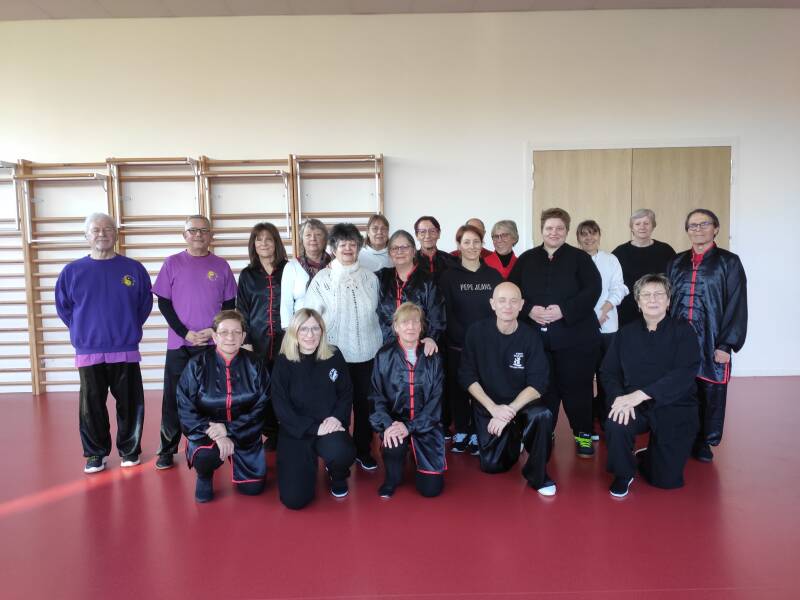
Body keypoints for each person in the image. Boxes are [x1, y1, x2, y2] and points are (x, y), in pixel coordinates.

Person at [55, 213, 152, 474]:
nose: (102, 234)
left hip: (125, 349)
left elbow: (143, 305)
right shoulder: (72, 272)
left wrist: (127, 328)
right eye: (96, 230)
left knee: (130, 403)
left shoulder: (134, 269)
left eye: (108, 229)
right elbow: (65, 309)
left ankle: (130, 450)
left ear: (116, 234)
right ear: (86, 236)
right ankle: (95, 454)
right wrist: (84, 331)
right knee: (91, 406)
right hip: (89, 351)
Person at [509, 207, 602, 458]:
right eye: (549, 228)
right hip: (536, 341)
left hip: (576, 338)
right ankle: (545, 432)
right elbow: (512, 291)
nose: (554, 232)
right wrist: (528, 309)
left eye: (560, 228)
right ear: (542, 230)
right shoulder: (527, 259)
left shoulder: (580, 258)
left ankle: (583, 434)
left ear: (567, 231)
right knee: (543, 388)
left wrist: (564, 310)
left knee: (578, 388)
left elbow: (593, 290)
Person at [602, 274, 701, 497]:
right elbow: (609, 372)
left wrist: (642, 394)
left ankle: (650, 455)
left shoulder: (684, 331)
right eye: (646, 295)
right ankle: (623, 473)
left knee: (666, 480)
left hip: (675, 405)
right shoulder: (625, 333)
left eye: (658, 294)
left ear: (668, 300)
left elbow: (684, 373)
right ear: (638, 302)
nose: (652, 299)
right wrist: (619, 398)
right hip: (634, 404)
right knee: (616, 421)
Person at [152, 215, 237, 470]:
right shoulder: (172, 263)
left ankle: (211, 442)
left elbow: (229, 305)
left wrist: (214, 331)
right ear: (184, 235)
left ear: (211, 235)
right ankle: (167, 448)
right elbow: (164, 303)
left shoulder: (221, 266)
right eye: (193, 230)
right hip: (180, 344)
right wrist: (184, 332)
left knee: (212, 397)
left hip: (212, 345)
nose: (198, 234)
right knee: (173, 398)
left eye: (203, 230)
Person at [459, 282, 555, 496]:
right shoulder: (476, 332)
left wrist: (509, 411)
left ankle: (538, 476)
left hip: (521, 404)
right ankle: (515, 437)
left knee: (543, 416)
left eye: (513, 301)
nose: (507, 306)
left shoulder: (530, 337)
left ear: (521, 305)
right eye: (502, 301)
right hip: (490, 406)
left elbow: (538, 384)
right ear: (492, 304)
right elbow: (467, 376)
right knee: (492, 466)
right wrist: (494, 409)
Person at [667, 209, 747, 463]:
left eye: (704, 224)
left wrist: (726, 344)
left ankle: (703, 440)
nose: (698, 229)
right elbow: (666, 301)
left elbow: (736, 303)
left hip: (712, 338)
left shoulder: (729, 262)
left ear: (716, 229)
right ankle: (682, 435)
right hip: (680, 338)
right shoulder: (676, 262)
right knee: (680, 388)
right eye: (693, 225)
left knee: (710, 391)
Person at [304, 223, 383, 471]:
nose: (348, 248)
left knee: (364, 404)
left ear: (359, 247)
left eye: (352, 244)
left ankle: (363, 450)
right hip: (333, 354)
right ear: (333, 248)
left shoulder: (371, 278)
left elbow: (381, 313)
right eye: (342, 244)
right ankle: (336, 453)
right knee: (336, 405)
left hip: (368, 352)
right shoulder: (322, 279)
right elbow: (311, 317)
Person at [177, 310, 269, 503]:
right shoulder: (197, 365)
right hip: (208, 433)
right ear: (214, 336)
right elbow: (185, 407)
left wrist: (229, 429)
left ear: (243, 336)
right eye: (224, 332)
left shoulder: (256, 364)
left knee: (253, 489)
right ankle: (204, 474)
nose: (230, 337)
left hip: (245, 431)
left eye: (236, 332)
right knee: (205, 457)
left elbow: (262, 406)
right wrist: (216, 433)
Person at [271, 309, 356, 508]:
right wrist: (313, 428)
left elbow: (346, 392)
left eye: (315, 329)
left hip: (329, 426)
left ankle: (337, 473)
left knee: (342, 451)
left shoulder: (334, 355)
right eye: (304, 329)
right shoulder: (283, 361)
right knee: (294, 500)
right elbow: (281, 406)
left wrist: (337, 418)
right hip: (297, 431)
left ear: (322, 331)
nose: (310, 335)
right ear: (294, 332)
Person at [438, 224, 503, 454]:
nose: (472, 246)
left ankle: (478, 431)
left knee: (483, 389)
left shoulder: (493, 276)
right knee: (458, 389)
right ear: (459, 245)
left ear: (482, 245)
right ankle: (462, 430)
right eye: (466, 242)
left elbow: (500, 310)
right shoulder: (448, 277)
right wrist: (460, 339)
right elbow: (446, 312)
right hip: (458, 345)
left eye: (476, 242)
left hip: (487, 346)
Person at [370, 302, 445, 498]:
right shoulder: (384, 355)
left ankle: (417, 458)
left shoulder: (433, 357)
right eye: (404, 322)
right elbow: (376, 396)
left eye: (415, 322)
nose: (410, 327)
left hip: (426, 425)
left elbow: (435, 401)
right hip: (395, 424)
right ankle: (392, 473)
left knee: (431, 490)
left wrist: (410, 427)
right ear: (396, 327)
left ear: (421, 326)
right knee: (394, 454)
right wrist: (388, 425)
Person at [236, 222, 287, 449]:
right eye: (259, 239)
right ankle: (271, 432)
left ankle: (288, 430)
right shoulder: (247, 275)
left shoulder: (289, 269)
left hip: (286, 342)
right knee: (261, 389)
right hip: (256, 342)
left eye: (268, 239)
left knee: (284, 388)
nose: (264, 243)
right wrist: (245, 341)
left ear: (276, 242)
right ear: (253, 244)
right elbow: (242, 310)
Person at [576, 219, 628, 437]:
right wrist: (589, 318)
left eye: (593, 233)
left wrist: (604, 310)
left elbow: (619, 288)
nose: (589, 238)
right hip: (581, 328)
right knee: (583, 377)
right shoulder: (574, 260)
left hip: (608, 326)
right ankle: (586, 422)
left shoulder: (610, 259)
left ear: (599, 235)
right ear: (578, 238)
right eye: (584, 234)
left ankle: (608, 419)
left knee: (607, 375)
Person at [376, 229, 445, 353]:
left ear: (414, 251)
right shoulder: (381, 278)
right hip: (388, 349)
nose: (400, 251)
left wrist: (431, 337)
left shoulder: (428, 280)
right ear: (389, 254)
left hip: (421, 348)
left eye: (405, 247)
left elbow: (437, 316)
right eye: (395, 248)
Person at [613, 209, 676, 327]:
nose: (642, 227)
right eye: (637, 224)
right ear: (632, 228)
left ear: (653, 226)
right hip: (627, 311)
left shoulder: (666, 250)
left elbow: (674, 281)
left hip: (658, 308)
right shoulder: (619, 252)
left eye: (646, 223)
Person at [280, 218, 331, 328]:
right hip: (302, 328)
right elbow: (286, 303)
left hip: (331, 327)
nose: (313, 238)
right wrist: (289, 330)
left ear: (325, 240)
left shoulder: (334, 265)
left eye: (318, 234)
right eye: (308, 235)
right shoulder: (292, 266)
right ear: (302, 240)